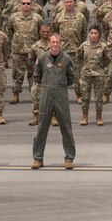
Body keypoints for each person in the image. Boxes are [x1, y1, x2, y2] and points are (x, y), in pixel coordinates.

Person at [31, 33, 76, 169]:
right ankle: (38, 158)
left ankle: (69, 158)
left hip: (61, 95)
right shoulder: (42, 57)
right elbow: (37, 76)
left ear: (60, 44)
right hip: (46, 94)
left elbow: (71, 78)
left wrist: (59, 85)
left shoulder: (67, 59)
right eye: (53, 42)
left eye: (57, 42)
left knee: (66, 127)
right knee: (42, 127)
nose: (55, 45)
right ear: (49, 43)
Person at [75, 26, 109, 126]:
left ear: (99, 35)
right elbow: (78, 57)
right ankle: (84, 117)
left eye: (95, 33)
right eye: (91, 33)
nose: (93, 35)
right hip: (86, 74)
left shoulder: (103, 46)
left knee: (98, 97)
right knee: (85, 97)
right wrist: (85, 67)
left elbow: (107, 59)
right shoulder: (84, 45)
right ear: (88, 34)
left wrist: (101, 68)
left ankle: (99, 117)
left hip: (99, 74)